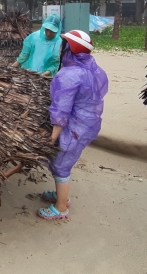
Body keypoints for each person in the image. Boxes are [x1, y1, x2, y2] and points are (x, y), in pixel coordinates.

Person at [37, 30, 108, 220]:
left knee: (61, 165)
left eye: (63, 45)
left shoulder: (69, 75)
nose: (60, 48)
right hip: (87, 123)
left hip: (74, 127)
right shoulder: (92, 69)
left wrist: (52, 136)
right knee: (63, 162)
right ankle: (62, 194)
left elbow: (61, 111)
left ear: (69, 49)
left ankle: (61, 207)